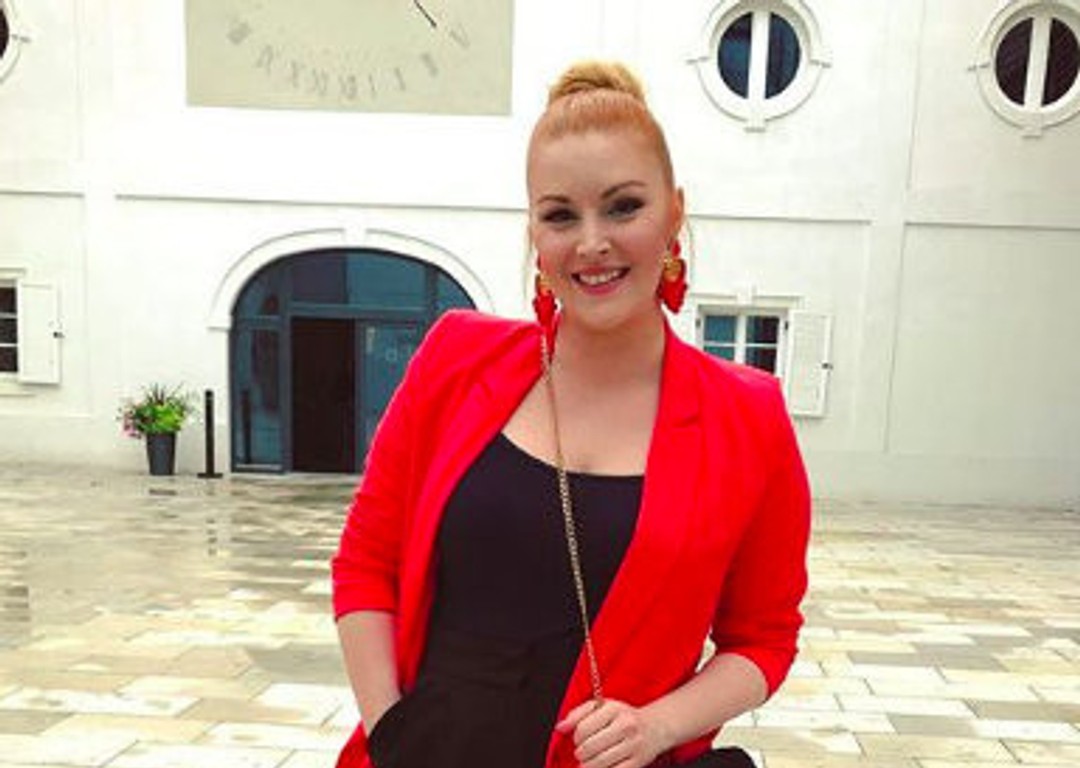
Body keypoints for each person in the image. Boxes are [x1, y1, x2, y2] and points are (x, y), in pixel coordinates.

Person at [332, 60, 811, 768]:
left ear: (674, 213)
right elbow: (367, 563)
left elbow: (763, 639)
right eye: (560, 215)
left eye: (623, 207)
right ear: (534, 231)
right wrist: (390, 732)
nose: (591, 243)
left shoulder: (748, 417)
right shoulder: (455, 360)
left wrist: (657, 726)